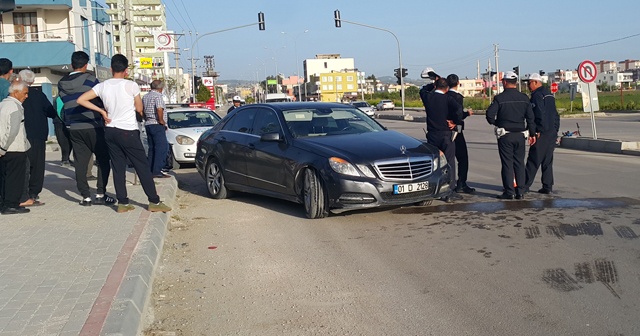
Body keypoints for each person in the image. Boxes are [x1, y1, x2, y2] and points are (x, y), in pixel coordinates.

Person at [77, 54, 171, 213]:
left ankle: (122, 202)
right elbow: (139, 108)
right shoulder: (131, 85)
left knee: (118, 167)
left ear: (111, 69)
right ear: (126, 70)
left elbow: (81, 100)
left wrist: (102, 111)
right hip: (128, 131)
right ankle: (154, 201)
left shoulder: (102, 86)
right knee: (142, 166)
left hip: (110, 130)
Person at [58, 51, 114, 206]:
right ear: (86, 65)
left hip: (74, 128)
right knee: (103, 159)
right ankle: (101, 194)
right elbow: (100, 98)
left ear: (71, 64)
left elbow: (63, 102)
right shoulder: (91, 80)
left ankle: (85, 196)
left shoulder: (62, 83)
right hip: (93, 125)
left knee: (80, 163)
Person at [486, 71, 536, 199]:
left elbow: (489, 115)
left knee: (507, 164)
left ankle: (509, 192)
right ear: (516, 83)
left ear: (504, 82)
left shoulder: (499, 98)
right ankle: (520, 191)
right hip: (520, 135)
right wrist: (532, 133)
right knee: (519, 163)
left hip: (505, 135)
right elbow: (531, 118)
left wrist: (498, 123)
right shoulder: (524, 98)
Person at [18, 70, 57, 207]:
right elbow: (51, 112)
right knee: (37, 165)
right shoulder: (39, 95)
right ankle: (33, 193)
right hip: (38, 134)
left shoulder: (15, 95)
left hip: (22, 134)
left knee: (24, 164)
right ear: (33, 81)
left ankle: (22, 192)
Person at [423, 78, 464, 202]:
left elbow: (423, 89)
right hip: (446, 134)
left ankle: (433, 189)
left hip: (432, 134)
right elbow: (459, 110)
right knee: (449, 162)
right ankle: (448, 191)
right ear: (447, 89)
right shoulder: (448, 98)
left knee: (434, 163)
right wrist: (455, 122)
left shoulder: (428, 97)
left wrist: (433, 83)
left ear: (435, 86)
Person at [524, 73, 560, 194]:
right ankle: (547, 186)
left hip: (542, 133)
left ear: (536, 82)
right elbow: (555, 115)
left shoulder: (537, 96)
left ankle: (524, 186)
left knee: (534, 160)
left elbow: (539, 114)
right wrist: (555, 130)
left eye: (529, 83)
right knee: (547, 161)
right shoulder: (549, 95)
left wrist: (537, 131)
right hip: (551, 133)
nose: (528, 86)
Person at [0, 80, 31, 215]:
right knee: (15, 178)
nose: (26, 96)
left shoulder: (3, 104)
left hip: (5, 148)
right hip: (14, 148)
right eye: (25, 93)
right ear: (16, 92)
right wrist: (4, 147)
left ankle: (5, 203)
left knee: (5, 177)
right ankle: (11, 204)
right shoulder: (15, 107)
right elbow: (12, 130)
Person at [445, 74, 475, 194]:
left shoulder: (443, 96)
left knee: (448, 158)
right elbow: (458, 114)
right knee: (463, 158)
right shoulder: (457, 97)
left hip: (444, 130)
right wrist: (466, 114)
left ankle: (448, 183)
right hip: (456, 131)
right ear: (458, 83)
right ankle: (461, 183)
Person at [142, 80, 170, 178]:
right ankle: (157, 170)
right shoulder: (158, 96)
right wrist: (161, 120)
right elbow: (159, 108)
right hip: (157, 124)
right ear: (161, 88)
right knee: (161, 148)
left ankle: (150, 169)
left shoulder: (145, 96)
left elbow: (141, 110)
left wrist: (146, 118)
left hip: (148, 123)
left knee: (152, 148)